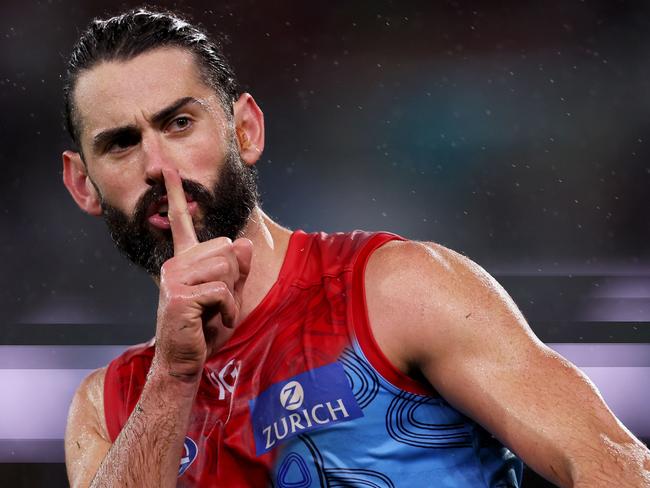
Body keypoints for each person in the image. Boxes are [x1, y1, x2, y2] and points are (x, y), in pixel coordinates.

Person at [61, 7, 649, 488]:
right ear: (83, 184)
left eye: (181, 124)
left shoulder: (396, 290)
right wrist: (174, 374)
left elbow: (611, 465)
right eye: (120, 144)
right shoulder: (106, 407)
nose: (159, 167)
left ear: (246, 130)